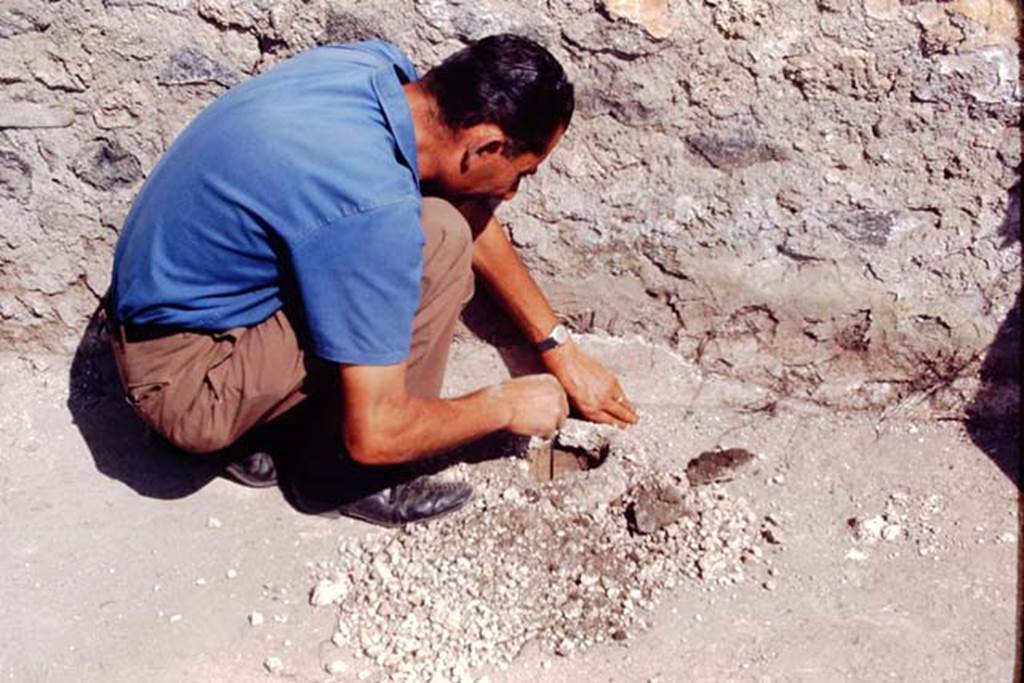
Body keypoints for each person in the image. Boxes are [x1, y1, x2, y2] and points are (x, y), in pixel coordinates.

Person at [105, 34, 639, 526]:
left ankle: (272, 426)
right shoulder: (370, 209)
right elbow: (376, 432)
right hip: (184, 383)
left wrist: (558, 348)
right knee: (433, 245)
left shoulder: (371, 71)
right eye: (522, 173)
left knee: (440, 225)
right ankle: (340, 478)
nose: (512, 193)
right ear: (485, 146)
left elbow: (465, 210)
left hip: (161, 311)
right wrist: (506, 405)